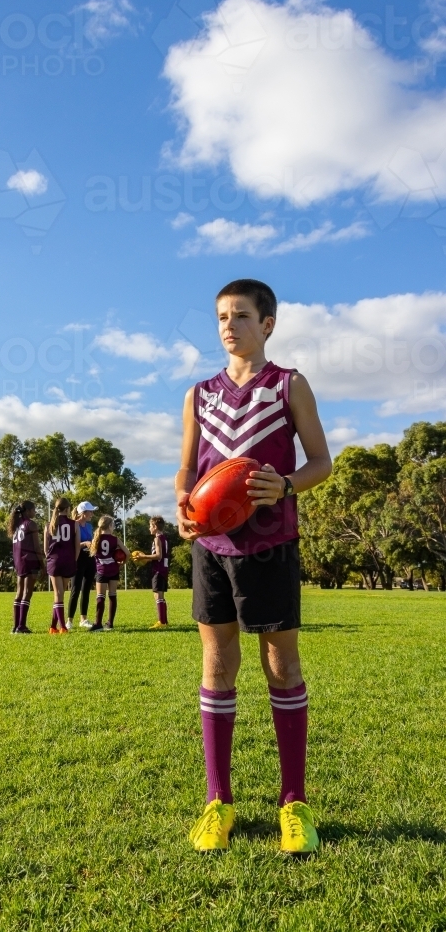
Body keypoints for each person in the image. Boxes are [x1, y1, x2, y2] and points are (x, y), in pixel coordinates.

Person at [175, 278, 332, 855]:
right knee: (217, 664)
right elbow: (187, 469)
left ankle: (294, 803)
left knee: (281, 664)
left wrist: (286, 484)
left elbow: (322, 462)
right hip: (211, 550)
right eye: (221, 316)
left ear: (267, 324)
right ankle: (219, 801)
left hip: (270, 544)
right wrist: (183, 505)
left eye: (241, 315)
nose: (228, 325)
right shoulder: (198, 394)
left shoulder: (289, 385)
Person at [44, 497, 80, 635]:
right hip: (68, 560)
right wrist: (73, 560)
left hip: (54, 561)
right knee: (60, 594)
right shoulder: (74, 524)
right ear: (67, 508)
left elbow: (46, 549)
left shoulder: (49, 525)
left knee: (58, 594)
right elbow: (77, 546)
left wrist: (50, 559)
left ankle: (54, 626)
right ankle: (62, 627)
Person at [8, 500, 44, 633]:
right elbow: (36, 546)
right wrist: (42, 564)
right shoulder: (31, 524)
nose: (35, 512)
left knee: (19, 593)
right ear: (28, 511)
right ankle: (21, 626)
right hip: (30, 560)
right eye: (34, 510)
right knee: (27, 593)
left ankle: (15, 626)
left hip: (19, 562)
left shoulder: (17, 525)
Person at [90, 515, 129, 631]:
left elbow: (92, 553)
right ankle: (110, 623)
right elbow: (127, 553)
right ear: (110, 526)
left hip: (101, 570)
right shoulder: (115, 539)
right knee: (112, 595)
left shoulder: (96, 539)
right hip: (113, 569)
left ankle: (98, 624)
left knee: (100, 596)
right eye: (113, 525)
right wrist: (122, 564)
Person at [135, 516, 171, 629]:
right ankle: (164, 621)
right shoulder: (164, 537)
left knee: (157, 595)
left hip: (159, 569)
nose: (149, 528)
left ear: (155, 526)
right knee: (161, 595)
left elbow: (158, 555)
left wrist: (143, 557)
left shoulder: (157, 538)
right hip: (164, 568)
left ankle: (161, 622)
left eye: (150, 526)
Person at [66, 501, 97, 630]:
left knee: (86, 590)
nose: (92, 514)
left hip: (89, 559)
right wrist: (84, 543)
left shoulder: (89, 526)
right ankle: (69, 621)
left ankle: (83, 619)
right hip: (78, 559)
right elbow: (71, 546)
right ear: (83, 513)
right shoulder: (74, 525)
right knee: (75, 590)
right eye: (90, 511)